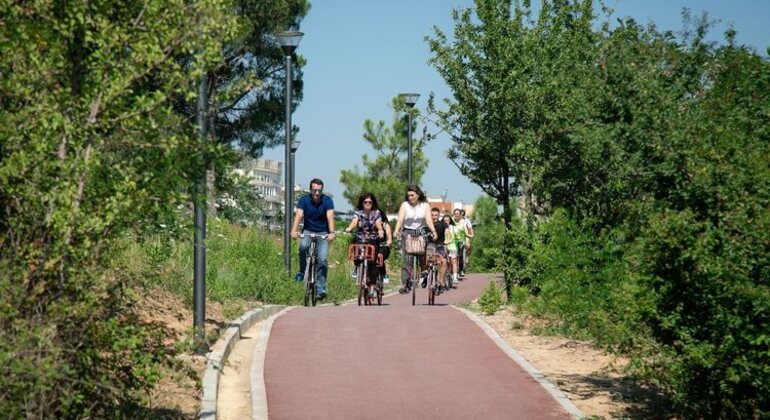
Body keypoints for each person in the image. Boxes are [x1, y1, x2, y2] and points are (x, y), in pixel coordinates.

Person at [291, 178, 336, 300]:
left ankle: (321, 289)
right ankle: (301, 271)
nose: (317, 193)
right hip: (308, 231)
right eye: (314, 190)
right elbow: (299, 215)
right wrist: (294, 231)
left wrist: (332, 232)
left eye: (319, 191)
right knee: (303, 247)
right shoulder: (304, 200)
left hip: (323, 233)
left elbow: (330, 216)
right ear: (310, 190)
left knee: (322, 259)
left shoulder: (327, 201)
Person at [393, 185, 438, 294]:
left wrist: (433, 231)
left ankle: (425, 273)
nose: (410, 197)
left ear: (418, 195)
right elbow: (400, 219)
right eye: (408, 195)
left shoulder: (425, 205)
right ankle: (406, 284)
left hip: (421, 232)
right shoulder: (404, 205)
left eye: (412, 195)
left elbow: (428, 220)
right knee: (407, 260)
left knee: (422, 257)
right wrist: (396, 230)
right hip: (407, 233)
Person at [343, 192, 384, 294]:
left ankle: (373, 284)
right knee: (356, 255)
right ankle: (358, 268)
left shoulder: (376, 213)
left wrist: (380, 230)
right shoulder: (358, 213)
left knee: (372, 261)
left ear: (373, 203)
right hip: (360, 238)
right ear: (362, 203)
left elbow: (378, 223)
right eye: (365, 202)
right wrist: (349, 228)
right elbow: (354, 222)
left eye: (370, 202)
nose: (367, 203)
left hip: (373, 239)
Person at [429, 207, 449, 293]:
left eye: (436, 215)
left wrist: (447, 239)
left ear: (438, 215)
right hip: (429, 246)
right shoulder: (427, 224)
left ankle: (441, 281)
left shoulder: (443, 224)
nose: (434, 217)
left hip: (440, 246)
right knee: (425, 259)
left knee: (443, 261)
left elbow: (447, 232)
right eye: (432, 215)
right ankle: (425, 277)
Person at [454, 208, 474, 276]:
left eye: (461, 214)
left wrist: (471, 235)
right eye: (456, 214)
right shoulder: (452, 221)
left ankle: (467, 257)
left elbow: (470, 229)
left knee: (468, 245)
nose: (459, 216)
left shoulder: (466, 221)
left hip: (464, 236)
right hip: (453, 238)